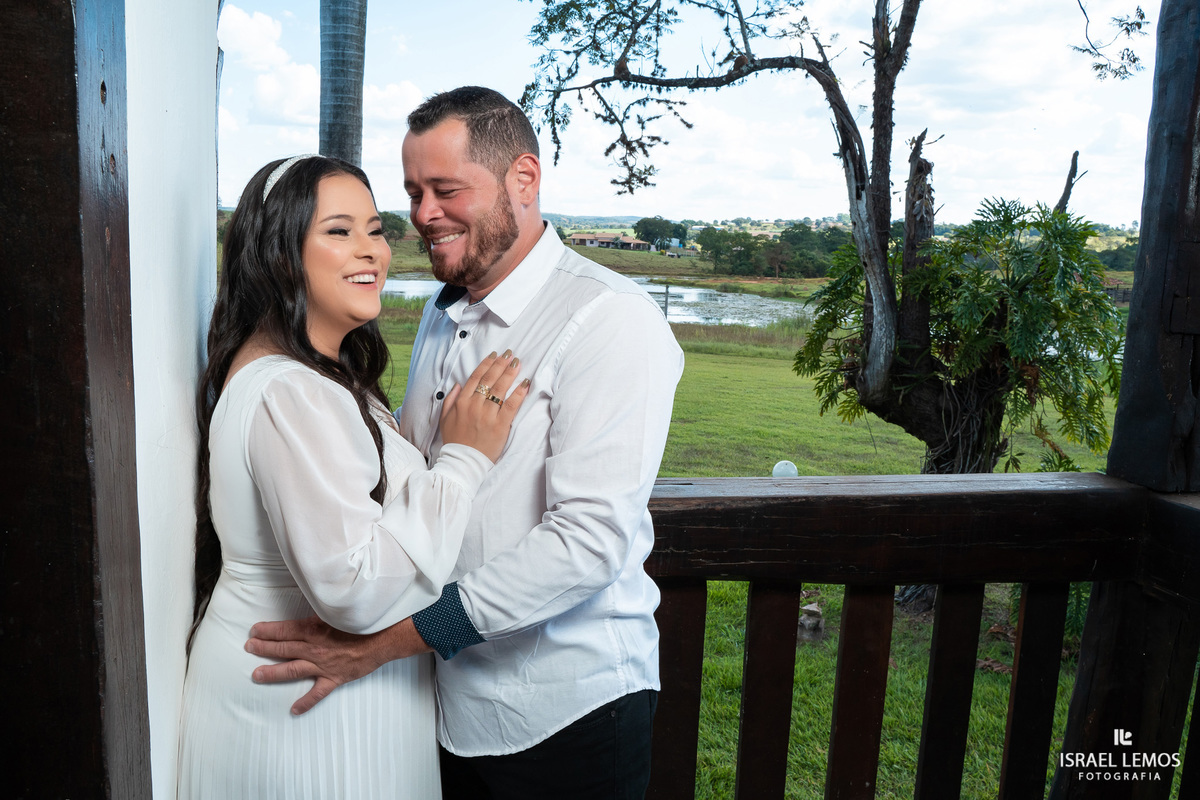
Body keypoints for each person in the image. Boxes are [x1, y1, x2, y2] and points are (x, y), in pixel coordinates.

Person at [247, 87, 684, 799]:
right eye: (413, 192)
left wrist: (383, 645)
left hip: (564, 714)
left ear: (523, 179)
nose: (422, 215)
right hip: (445, 704)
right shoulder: (442, 311)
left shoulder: (611, 319)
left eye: (445, 190)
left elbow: (588, 544)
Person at [177, 153, 529, 799]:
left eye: (375, 229)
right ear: (280, 255)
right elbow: (354, 588)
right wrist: (464, 458)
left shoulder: (312, 376)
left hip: (326, 696)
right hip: (303, 704)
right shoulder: (293, 391)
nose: (372, 251)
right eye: (339, 231)